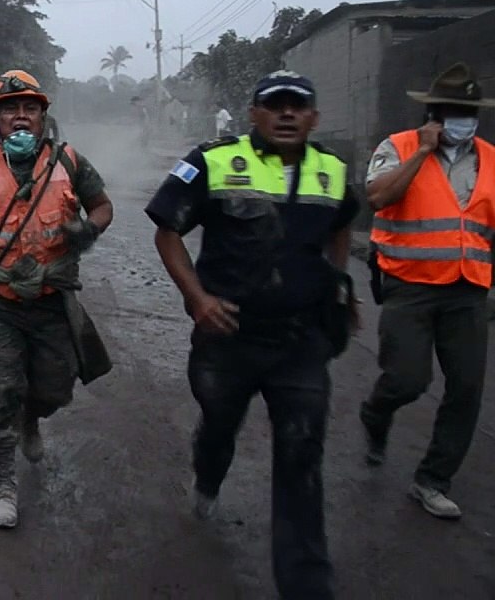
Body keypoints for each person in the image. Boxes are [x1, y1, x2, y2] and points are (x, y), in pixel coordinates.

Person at [145, 71, 358, 600]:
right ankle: (208, 472)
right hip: (227, 339)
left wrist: (338, 284)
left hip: (301, 343)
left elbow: (341, 226)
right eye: (274, 104)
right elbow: (167, 230)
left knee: (301, 454)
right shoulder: (212, 160)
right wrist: (198, 298)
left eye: (297, 106)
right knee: (219, 425)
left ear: (313, 117)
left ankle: (306, 584)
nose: (286, 113)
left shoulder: (332, 170)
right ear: (253, 114)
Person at [0, 69, 114, 529]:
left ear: (42, 117)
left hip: (52, 300)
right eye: (10, 110)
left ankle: (32, 418)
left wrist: (88, 229)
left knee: (54, 389)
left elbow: (102, 205)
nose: (20, 117)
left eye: (29, 109)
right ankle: (3, 482)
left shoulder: (69, 161)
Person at [360, 62, 495, 520]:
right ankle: (376, 413)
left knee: (467, 388)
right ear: (433, 114)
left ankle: (433, 480)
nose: (463, 120)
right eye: (454, 112)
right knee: (407, 380)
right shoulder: (397, 147)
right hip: (409, 286)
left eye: (469, 112)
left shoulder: (490, 159)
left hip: (468, 290)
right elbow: (378, 197)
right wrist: (422, 152)